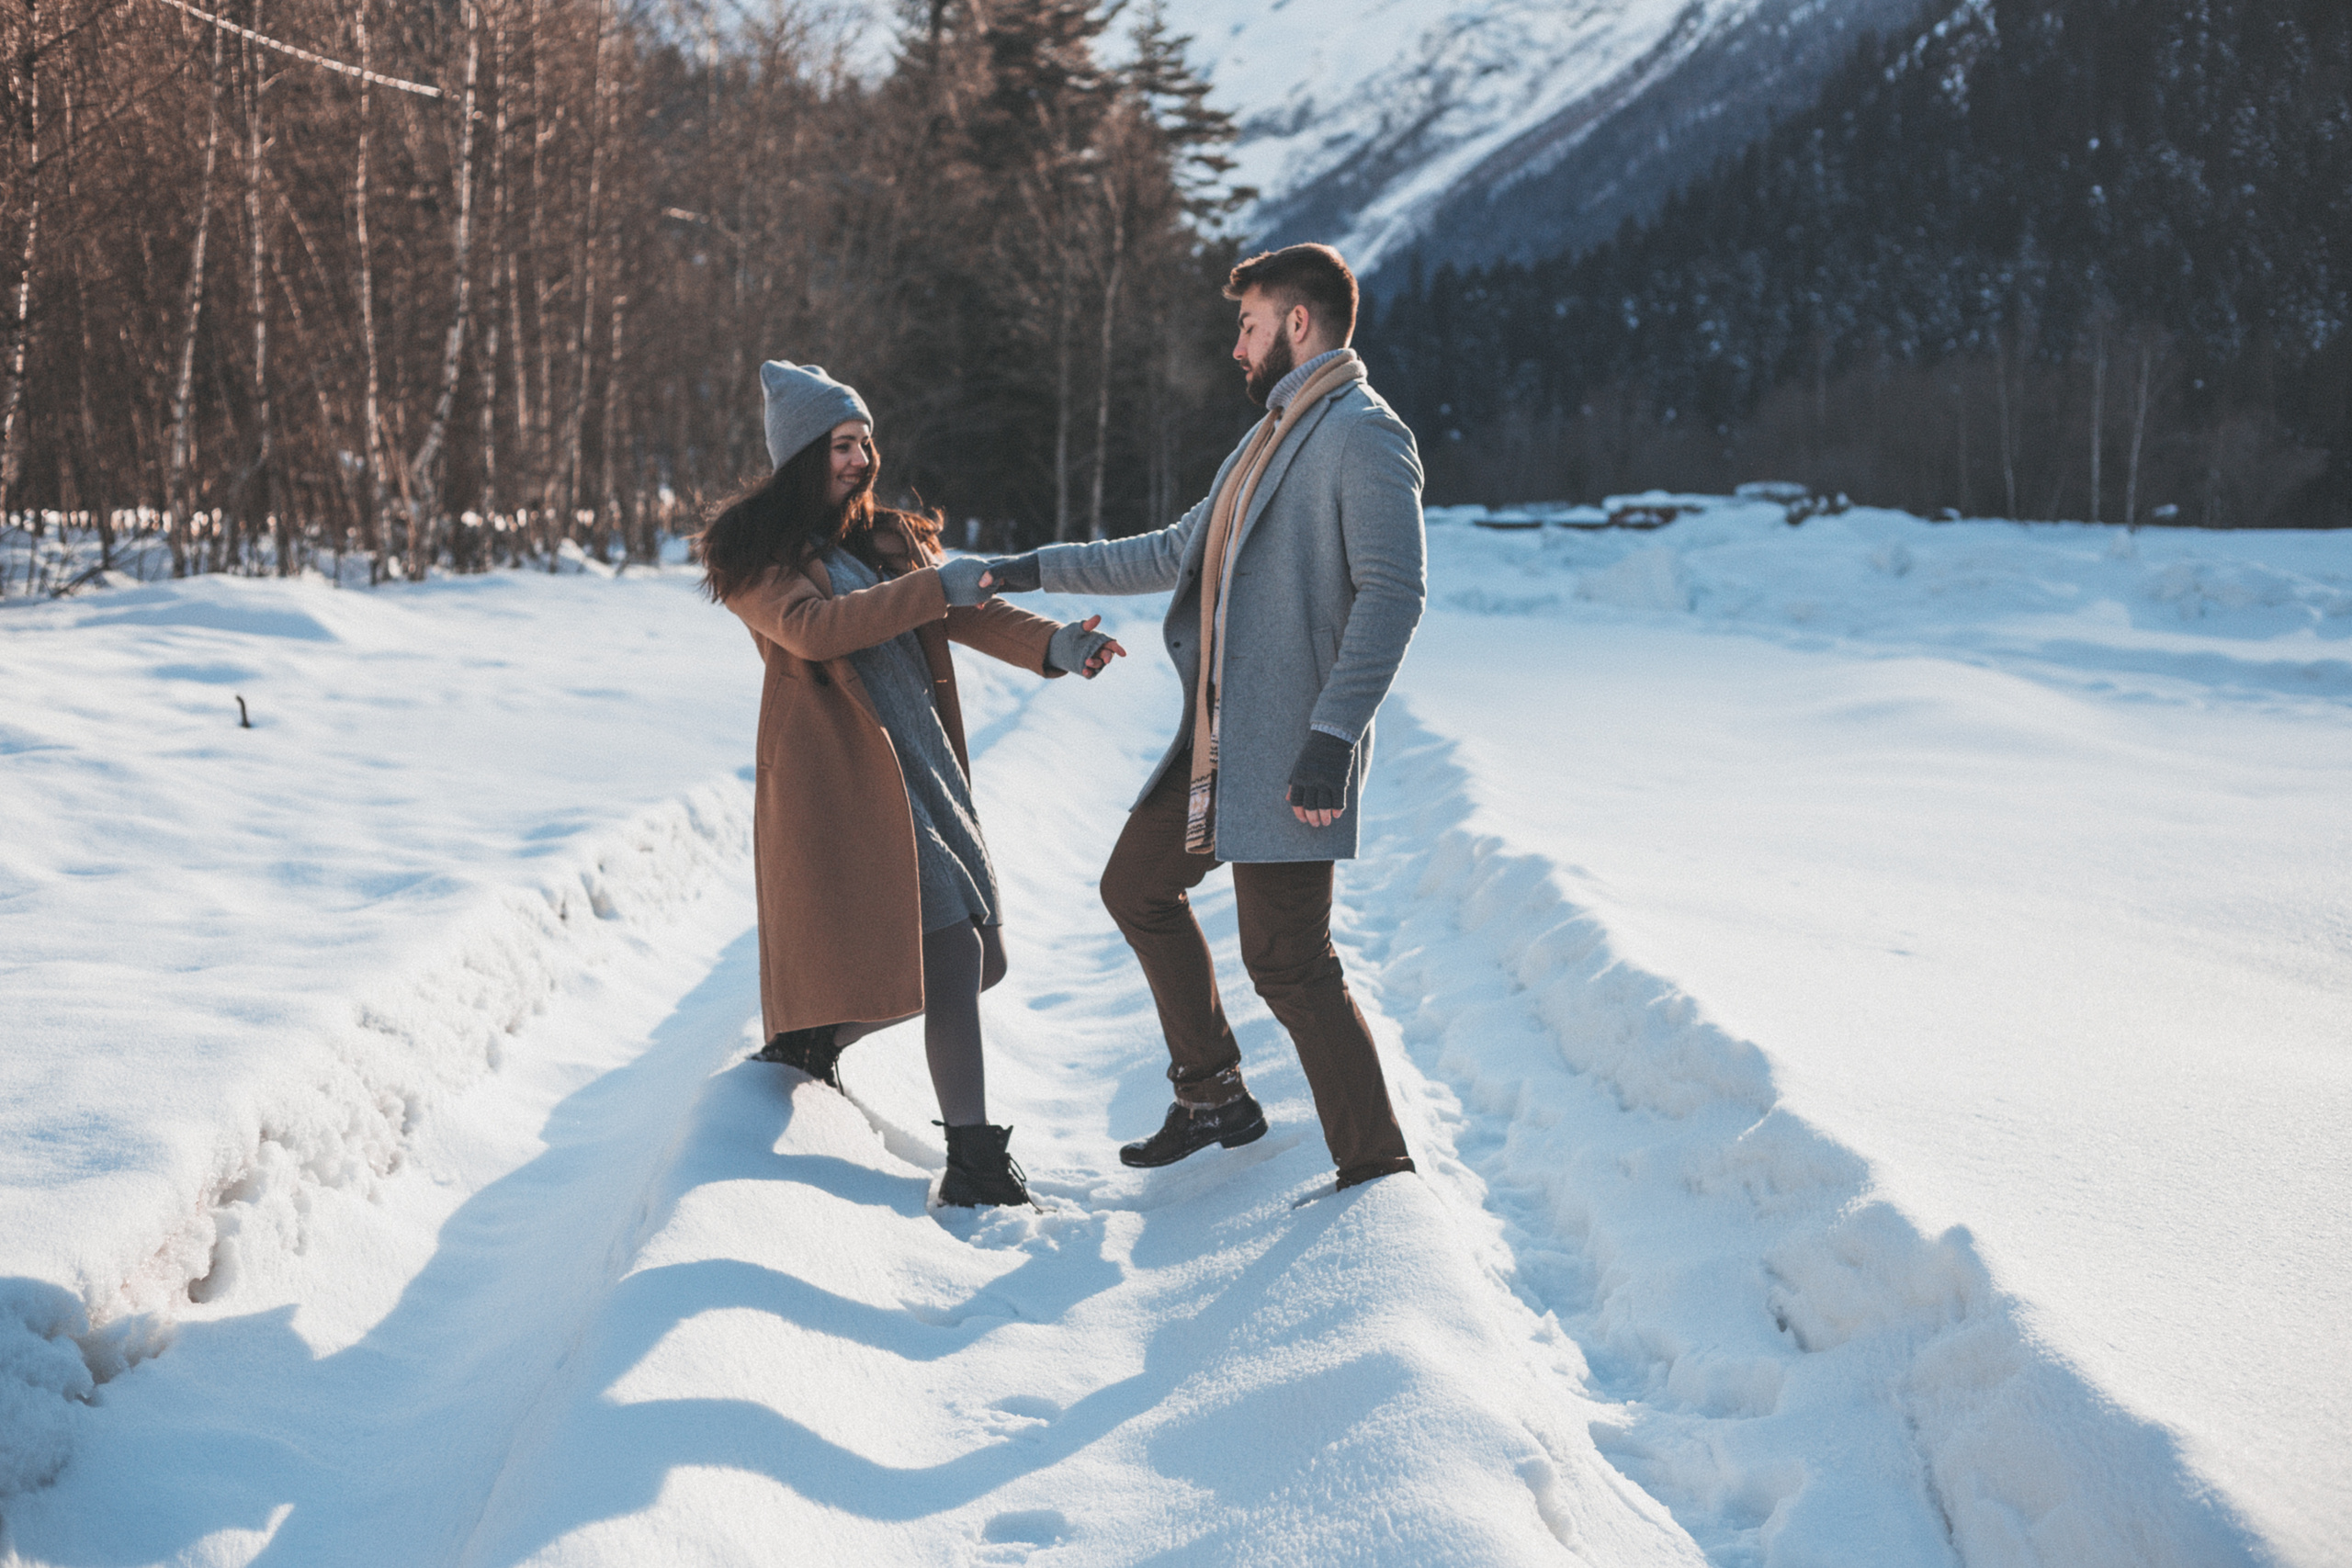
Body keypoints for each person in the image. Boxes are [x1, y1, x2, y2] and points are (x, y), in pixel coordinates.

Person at [977, 243, 1425, 1194]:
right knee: (1137, 886)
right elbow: (1176, 550)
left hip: (1296, 752)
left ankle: (1376, 1168)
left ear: (1295, 324)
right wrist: (1032, 568)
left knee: (1289, 962)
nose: (1236, 346)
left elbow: (1393, 595)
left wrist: (1333, 737)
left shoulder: (1363, 435)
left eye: (1248, 324)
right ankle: (1212, 1094)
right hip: (1222, 748)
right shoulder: (1268, 435)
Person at [700, 359, 1125, 1208]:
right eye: (843, 446)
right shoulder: (756, 556)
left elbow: (965, 609)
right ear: (800, 457)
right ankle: (971, 1159)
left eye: (866, 442)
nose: (863, 460)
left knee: (982, 959)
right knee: (955, 948)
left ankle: (816, 1045)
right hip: (850, 780)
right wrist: (932, 587)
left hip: (921, 765)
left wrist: (1055, 647)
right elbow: (816, 631)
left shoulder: (884, 539)